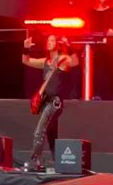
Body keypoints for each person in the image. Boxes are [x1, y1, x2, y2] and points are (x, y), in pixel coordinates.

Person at [22, 34, 79, 171]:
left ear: (57, 44)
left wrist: (69, 46)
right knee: (51, 134)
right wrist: (26, 48)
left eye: (52, 40)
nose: (49, 42)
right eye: (48, 40)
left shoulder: (62, 59)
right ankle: (56, 161)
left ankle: (34, 161)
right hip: (46, 102)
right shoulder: (45, 62)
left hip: (54, 102)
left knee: (39, 130)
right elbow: (26, 61)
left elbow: (75, 62)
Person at [88, 0, 113, 99]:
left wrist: (112, 31)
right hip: (94, 45)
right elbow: (87, 27)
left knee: (111, 70)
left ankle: (111, 95)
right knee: (95, 70)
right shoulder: (91, 12)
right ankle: (94, 94)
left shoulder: (111, 11)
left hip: (108, 45)